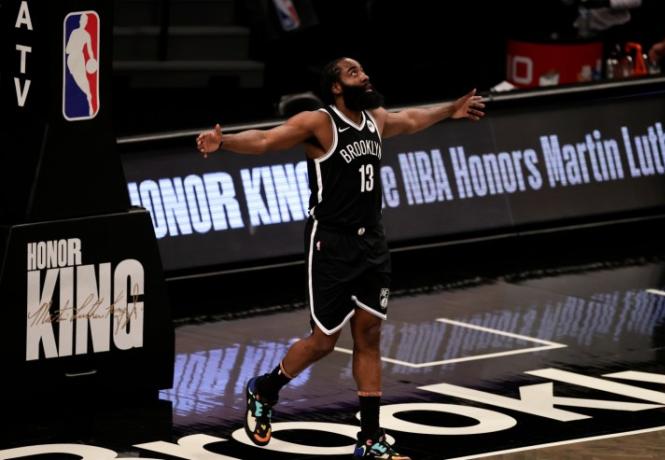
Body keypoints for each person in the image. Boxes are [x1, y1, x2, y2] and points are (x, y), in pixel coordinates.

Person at [196, 57, 485, 459]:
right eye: (354, 73)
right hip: (331, 244)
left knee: (369, 335)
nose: (364, 76)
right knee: (323, 342)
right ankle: (264, 389)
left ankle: (370, 439)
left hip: (372, 242)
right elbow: (265, 140)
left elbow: (411, 119)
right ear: (335, 87)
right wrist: (223, 142)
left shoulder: (375, 119)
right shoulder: (320, 123)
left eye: (363, 70)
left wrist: (450, 110)